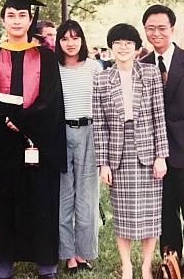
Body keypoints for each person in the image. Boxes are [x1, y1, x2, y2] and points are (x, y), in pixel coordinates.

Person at [0, 0, 67, 279]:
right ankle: (2, 264)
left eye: (22, 15)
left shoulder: (47, 59)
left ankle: (46, 265)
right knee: (1, 203)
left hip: (36, 142)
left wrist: (22, 120)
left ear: (30, 20)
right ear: (3, 20)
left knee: (40, 201)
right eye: (11, 15)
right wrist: (8, 119)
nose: (16, 20)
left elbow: (51, 100)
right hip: (1, 145)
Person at [140, 4, 184, 279]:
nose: (156, 33)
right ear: (145, 30)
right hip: (156, 156)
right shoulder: (142, 66)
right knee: (165, 212)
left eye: (161, 28)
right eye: (150, 28)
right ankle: (171, 264)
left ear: (172, 29)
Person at [94, 23, 168, 279]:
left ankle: (146, 264)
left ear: (137, 48)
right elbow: (100, 124)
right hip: (118, 152)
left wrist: (161, 156)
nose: (123, 48)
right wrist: (103, 163)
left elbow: (160, 116)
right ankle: (127, 265)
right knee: (123, 214)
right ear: (111, 47)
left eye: (128, 43)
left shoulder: (150, 73)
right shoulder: (102, 78)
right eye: (117, 43)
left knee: (150, 213)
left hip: (147, 151)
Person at [55, 20, 101, 274]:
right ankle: (68, 254)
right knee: (64, 196)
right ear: (59, 42)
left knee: (87, 196)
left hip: (89, 132)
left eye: (75, 38)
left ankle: (84, 252)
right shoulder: (54, 69)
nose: (70, 43)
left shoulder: (94, 67)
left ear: (82, 40)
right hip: (61, 133)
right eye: (65, 38)